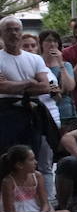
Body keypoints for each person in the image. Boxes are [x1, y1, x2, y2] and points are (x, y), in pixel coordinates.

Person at [0, 16, 51, 158]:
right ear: (1, 33)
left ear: (21, 32)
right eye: (8, 30)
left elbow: (46, 87)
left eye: (17, 30)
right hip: (6, 115)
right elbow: (2, 87)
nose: (13, 33)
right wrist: (29, 82)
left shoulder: (35, 59)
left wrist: (12, 85)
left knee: (31, 157)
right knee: (7, 158)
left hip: (31, 114)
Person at [0, 144, 73, 212]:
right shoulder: (8, 181)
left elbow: (45, 203)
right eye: (31, 160)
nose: (36, 162)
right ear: (19, 165)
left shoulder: (37, 176)